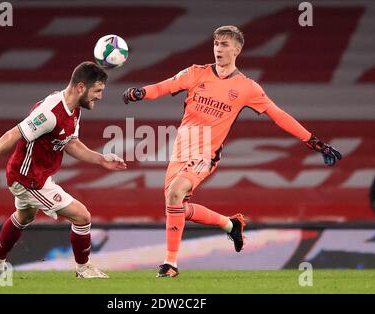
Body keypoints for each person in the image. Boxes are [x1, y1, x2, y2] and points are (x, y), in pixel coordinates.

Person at [123, 25, 342, 277]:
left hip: (206, 152)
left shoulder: (247, 88)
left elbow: (278, 115)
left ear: (237, 49)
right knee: (177, 207)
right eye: (216, 44)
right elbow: (163, 87)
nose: (218, 49)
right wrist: (141, 92)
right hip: (181, 148)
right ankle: (231, 224)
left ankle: (170, 264)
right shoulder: (196, 73)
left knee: (175, 194)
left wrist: (313, 141)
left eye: (225, 44)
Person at [0, 61, 127, 279]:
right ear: (81, 87)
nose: (100, 97)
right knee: (82, 216)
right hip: (28, 179)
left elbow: (71, 143)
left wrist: (101, 160)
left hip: (35, 176)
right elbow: (11, 135)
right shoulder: (50, 113)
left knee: (25, 216)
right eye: (98, 91)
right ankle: (84, 269)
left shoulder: (73, 109)